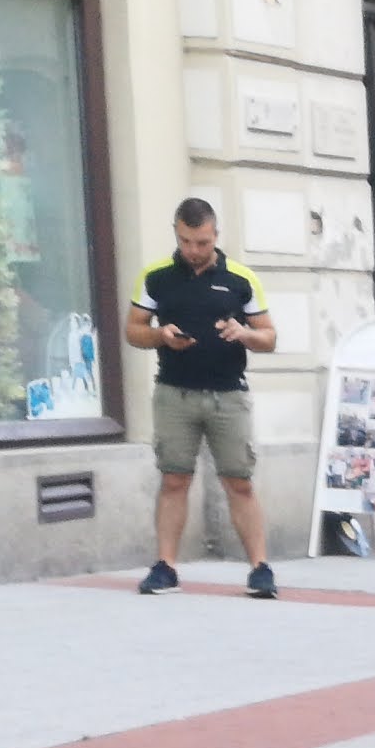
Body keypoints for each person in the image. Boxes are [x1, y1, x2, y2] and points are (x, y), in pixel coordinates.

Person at [129, 197, 276, 598]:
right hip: (174, 393)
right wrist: (160, 335)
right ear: (176, 234)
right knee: (174, 479)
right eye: (186, 241)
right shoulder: (156, 277)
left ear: (216, 235)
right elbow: (133, 330)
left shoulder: (240, 279)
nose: (193, 250)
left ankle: (260, 568)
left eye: (203, 242)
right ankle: (165, 567)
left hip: (228, 395)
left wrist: (243, 333)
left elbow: (269, 337)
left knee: (239, 481)